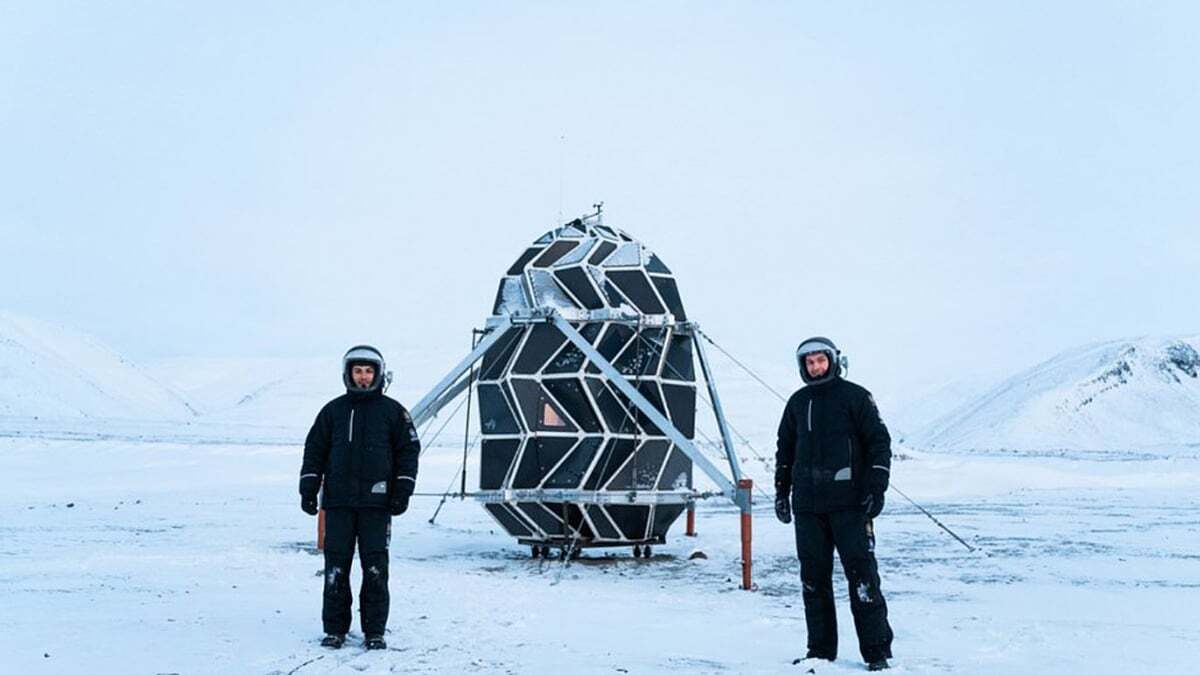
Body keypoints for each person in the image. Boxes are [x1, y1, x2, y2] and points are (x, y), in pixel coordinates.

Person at [774, 336, 894, 671]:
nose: (815, 367)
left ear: (832, 360)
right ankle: (821, 651)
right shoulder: (798, 403)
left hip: (850, 505)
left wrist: (876, 487)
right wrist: (782, 492)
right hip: (809, 507)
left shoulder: (856, 397)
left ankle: (877, 652)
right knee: (813, 580)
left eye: (820, 361)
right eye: (809, 363)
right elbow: (785, 450)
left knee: (863, 578)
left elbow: (879, 444)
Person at [299, 345, 420, 650]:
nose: (363, 377)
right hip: (338, 503)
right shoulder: (333, 411)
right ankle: (335, 629)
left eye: (368, 371)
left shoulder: (394, 412)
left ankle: (374, 631)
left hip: (377, 505)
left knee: (375, 569)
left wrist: (402, 490)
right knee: (336, 568)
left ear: (377, 374)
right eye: (358, 371)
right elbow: (314, 450)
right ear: (348, 374)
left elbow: (408, 452)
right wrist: (308, 488)